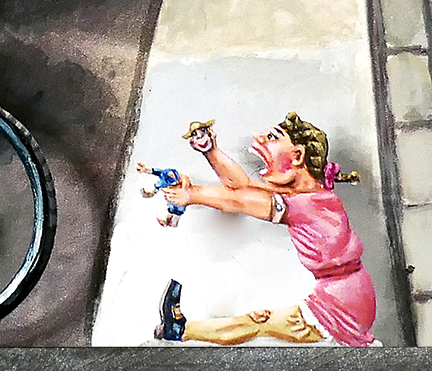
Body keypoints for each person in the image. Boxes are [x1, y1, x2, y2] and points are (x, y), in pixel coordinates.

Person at [153, 113, 378, 347]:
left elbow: (239, 201)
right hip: (344, 296)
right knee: (260, 321)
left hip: (341, 305)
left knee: (259, 322)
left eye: (272, 137)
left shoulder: (306, 205)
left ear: (297, 155)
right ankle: (179, 329)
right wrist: (211, 150)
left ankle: (179, 330)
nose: (259, 137)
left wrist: (192, 194)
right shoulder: (309, 192)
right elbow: (241, 185)